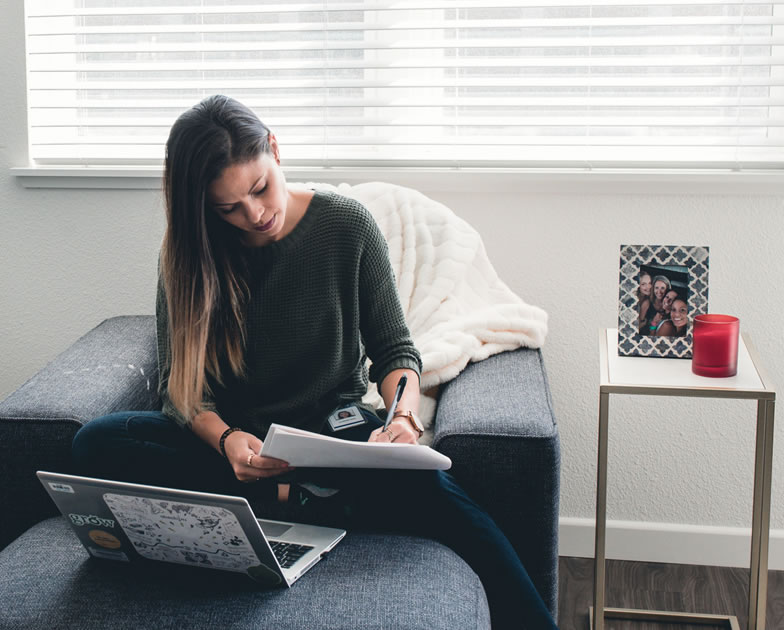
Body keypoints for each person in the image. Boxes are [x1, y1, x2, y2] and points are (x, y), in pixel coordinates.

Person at [71, 95, 558, 629]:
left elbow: (395, 351)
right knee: (96, 443)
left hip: (332, 431)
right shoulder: (188, 254)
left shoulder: (345, 225)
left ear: (275, 150)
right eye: (228, 208)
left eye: (259, 188)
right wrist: (229, 439)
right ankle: (306, 499)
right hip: (233, 445)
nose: (254, 215)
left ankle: (284, 500)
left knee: (437, 494)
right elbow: (180, 392)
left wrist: (401, 416)